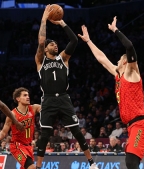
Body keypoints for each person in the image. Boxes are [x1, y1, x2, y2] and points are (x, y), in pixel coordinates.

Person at [78, 16, 144, 169]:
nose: (117, 60)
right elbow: (101, 58)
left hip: (141, 123)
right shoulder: (117, 74)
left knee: (131, 161)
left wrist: (115, 30)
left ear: (125, 61)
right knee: (132, 161)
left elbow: (130, 46)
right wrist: (88, 41)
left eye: (120, 58)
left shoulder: (132, 73)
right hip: (132, 125)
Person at [35, 5, 98, 169]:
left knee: (77, 131)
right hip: (48, 99)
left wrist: (62, 23)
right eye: (52, 45)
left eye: (56, 44)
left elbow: (74, 41)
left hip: (63, 98)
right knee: (44, 135)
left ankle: (91, 163)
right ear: (47, 48)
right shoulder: (41, 61)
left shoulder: (63, 58)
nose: (55, 45)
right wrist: (43, 19)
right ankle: (38, 166)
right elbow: (41, 41)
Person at [0, 87, 41, 169]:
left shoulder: (34, 108)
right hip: (17, 146)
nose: (28, 97)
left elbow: (46, 109)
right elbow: (4, 130)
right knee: (32, 167)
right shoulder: (13, 115)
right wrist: (0, 136)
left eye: (28, 95)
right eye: (25, 95)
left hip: (29, 146)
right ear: (18, 98)